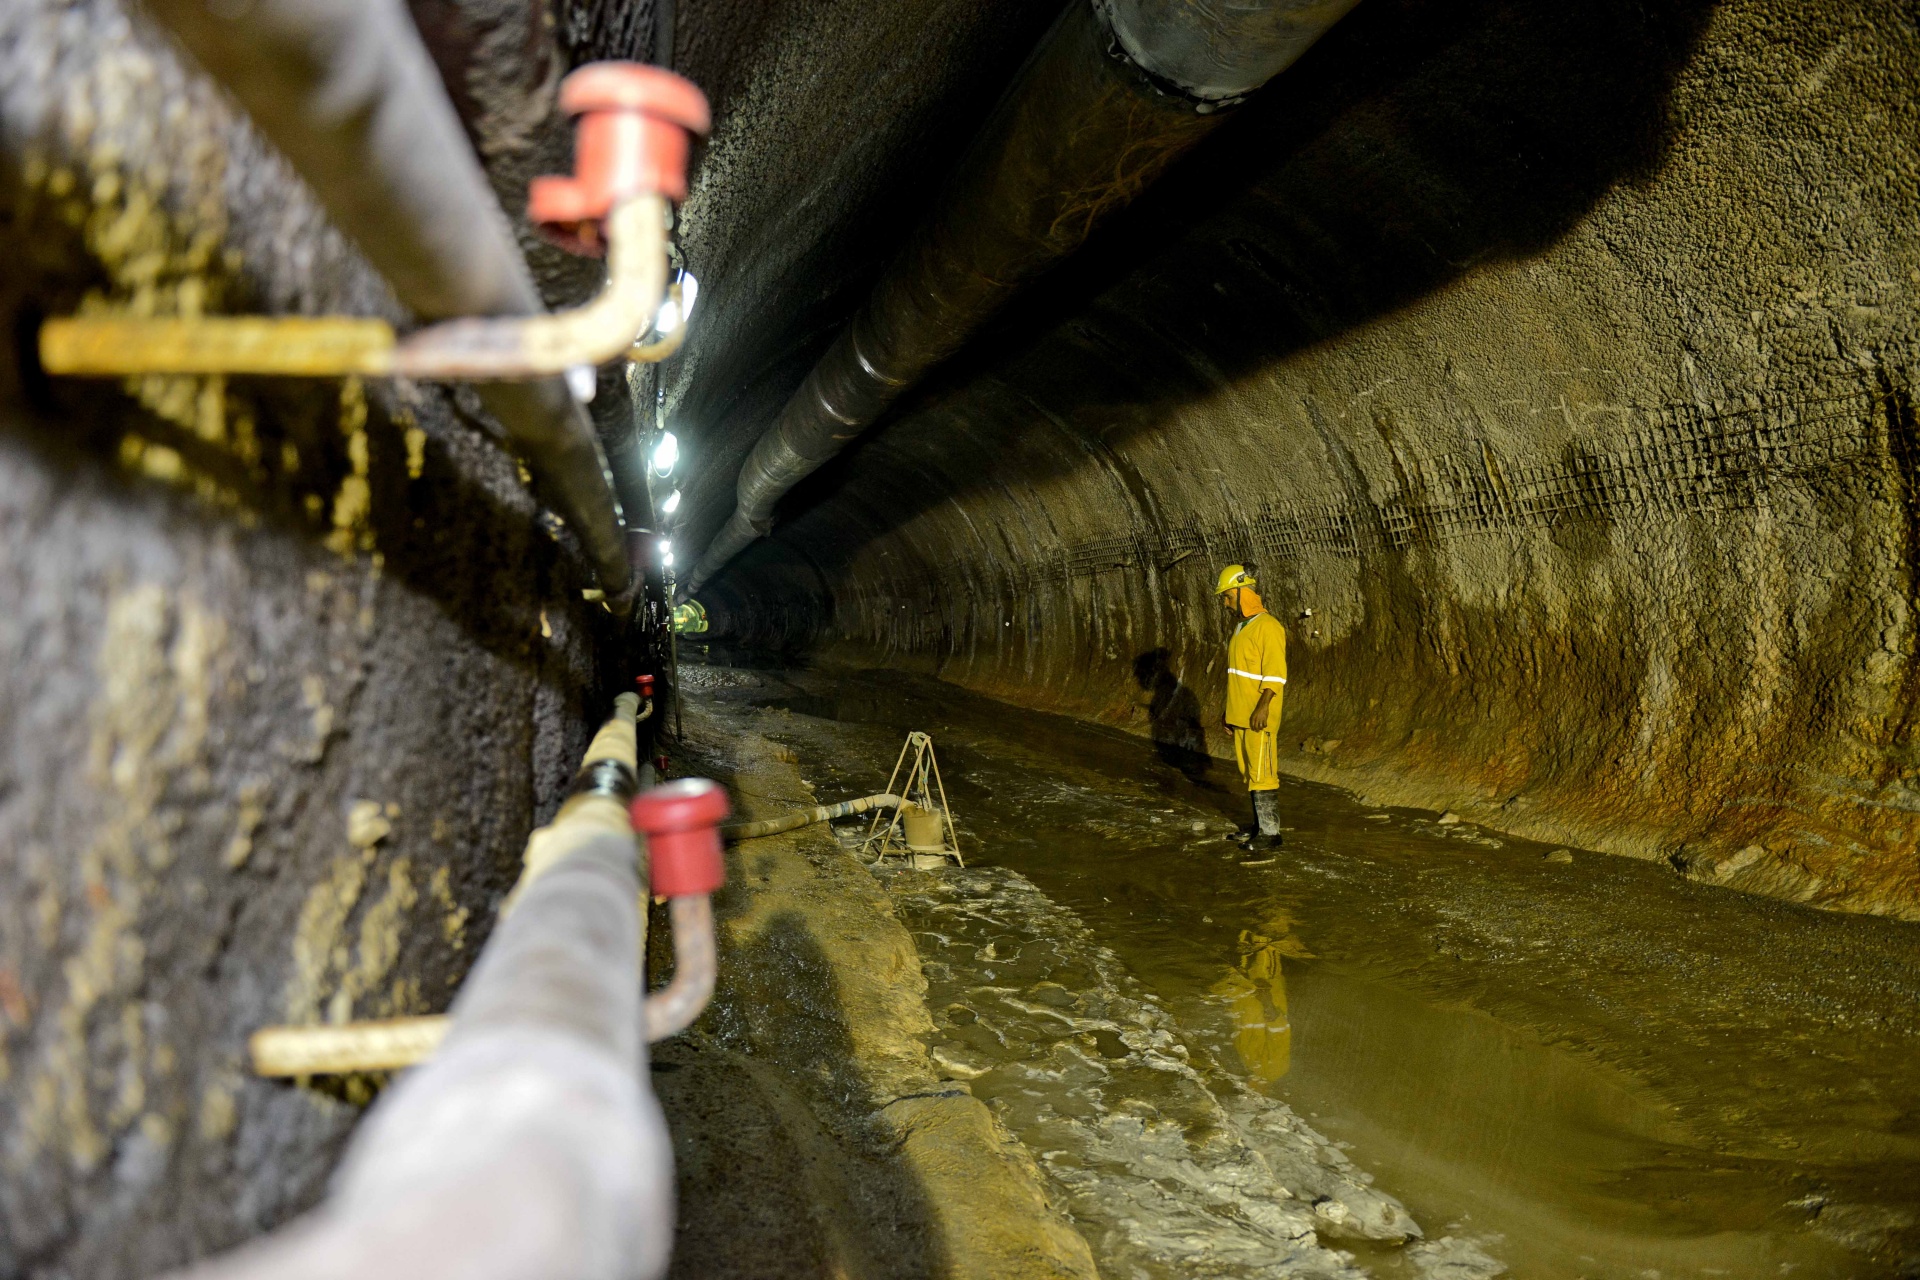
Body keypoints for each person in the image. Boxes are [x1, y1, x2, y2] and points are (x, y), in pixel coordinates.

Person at [1214, 564, 1287, 855]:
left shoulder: (1269, 626)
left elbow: (1275, 673)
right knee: (1249, 771)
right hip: (1241, 714)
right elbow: (1237, 673)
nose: (1225, 602)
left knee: (1263, 772)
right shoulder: (1242, 627)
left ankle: (1271, 833)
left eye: (1228, 596)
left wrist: (1262, 707)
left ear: (1243, 592)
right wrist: (1229, 712)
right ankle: (1257, 827)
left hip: (1259, 715)